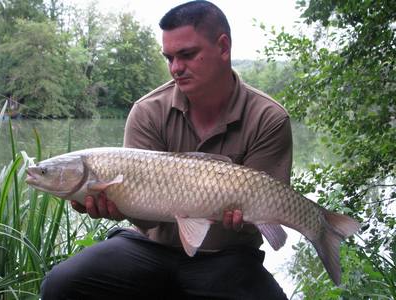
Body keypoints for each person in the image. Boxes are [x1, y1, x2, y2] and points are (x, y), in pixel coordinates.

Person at [41, 1, 292, 299]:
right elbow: (145, 217)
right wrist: (116, 209)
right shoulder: (147, 111)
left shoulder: (269, 118)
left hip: (226, 254)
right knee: (62, 283)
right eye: (169, 58)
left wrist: (245, 220)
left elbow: (265, 215)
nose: (175, 68)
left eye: (186, 55)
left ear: (223, 47)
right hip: (149, 247)